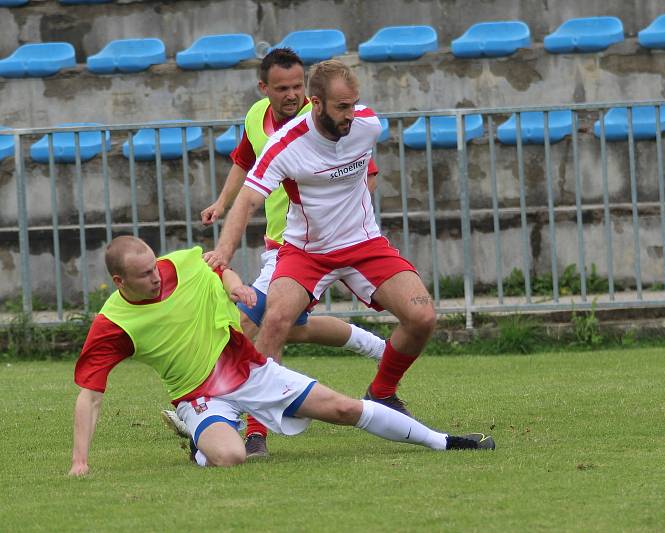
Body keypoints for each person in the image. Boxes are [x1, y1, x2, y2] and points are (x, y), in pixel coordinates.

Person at [68, 236, 494, 476]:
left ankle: (444, 442)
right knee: (231, 458)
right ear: (119, 280)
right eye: (144, 276)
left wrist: (235, 284)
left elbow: (215, 265)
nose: (156, 276)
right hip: (199, 394)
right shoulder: (113, 324)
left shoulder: (178, 264)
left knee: (343, 408)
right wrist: (80, 462)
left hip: (248, 369)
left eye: (155, 267)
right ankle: (203, 438)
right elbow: (90, 395)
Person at [162, 48, 386, 458]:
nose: (293, 94)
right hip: (278, 244)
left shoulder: (326, 122)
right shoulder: (256, 117)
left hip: (306, 246)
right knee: (284, 325)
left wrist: (347, 226)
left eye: (299, 86)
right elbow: (244, 162)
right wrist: (222, 203)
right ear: (264, 88)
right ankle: (375, 347)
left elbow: (364, 173)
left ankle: (238, 422)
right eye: (282, 88)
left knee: (250, 323)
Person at [206, 60, 436, 418]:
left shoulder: (367, 125)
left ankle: (381, 392)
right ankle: (255, 430)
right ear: (317, 104)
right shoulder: (285, 144)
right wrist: (224, 250)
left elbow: (367, 174)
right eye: (342, 107)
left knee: (422, 316)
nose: (351, 115)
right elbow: (249, 199)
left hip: (364, 244)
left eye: (354, 104)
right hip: (306, 251)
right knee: (274, 321)